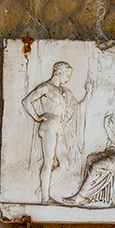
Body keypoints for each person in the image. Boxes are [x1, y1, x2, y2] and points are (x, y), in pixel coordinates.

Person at [22, 61, 78, 203]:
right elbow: (26, 101)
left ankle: (41, 190)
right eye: (67, 75)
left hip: (60, 127)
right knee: (49, 161)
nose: (68, 78)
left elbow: (76, 106)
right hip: (50, 126)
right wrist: (37, 117)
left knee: (65, 164)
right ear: (59, 72)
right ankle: (45, 198)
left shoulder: (62, 91)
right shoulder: (46, 87)